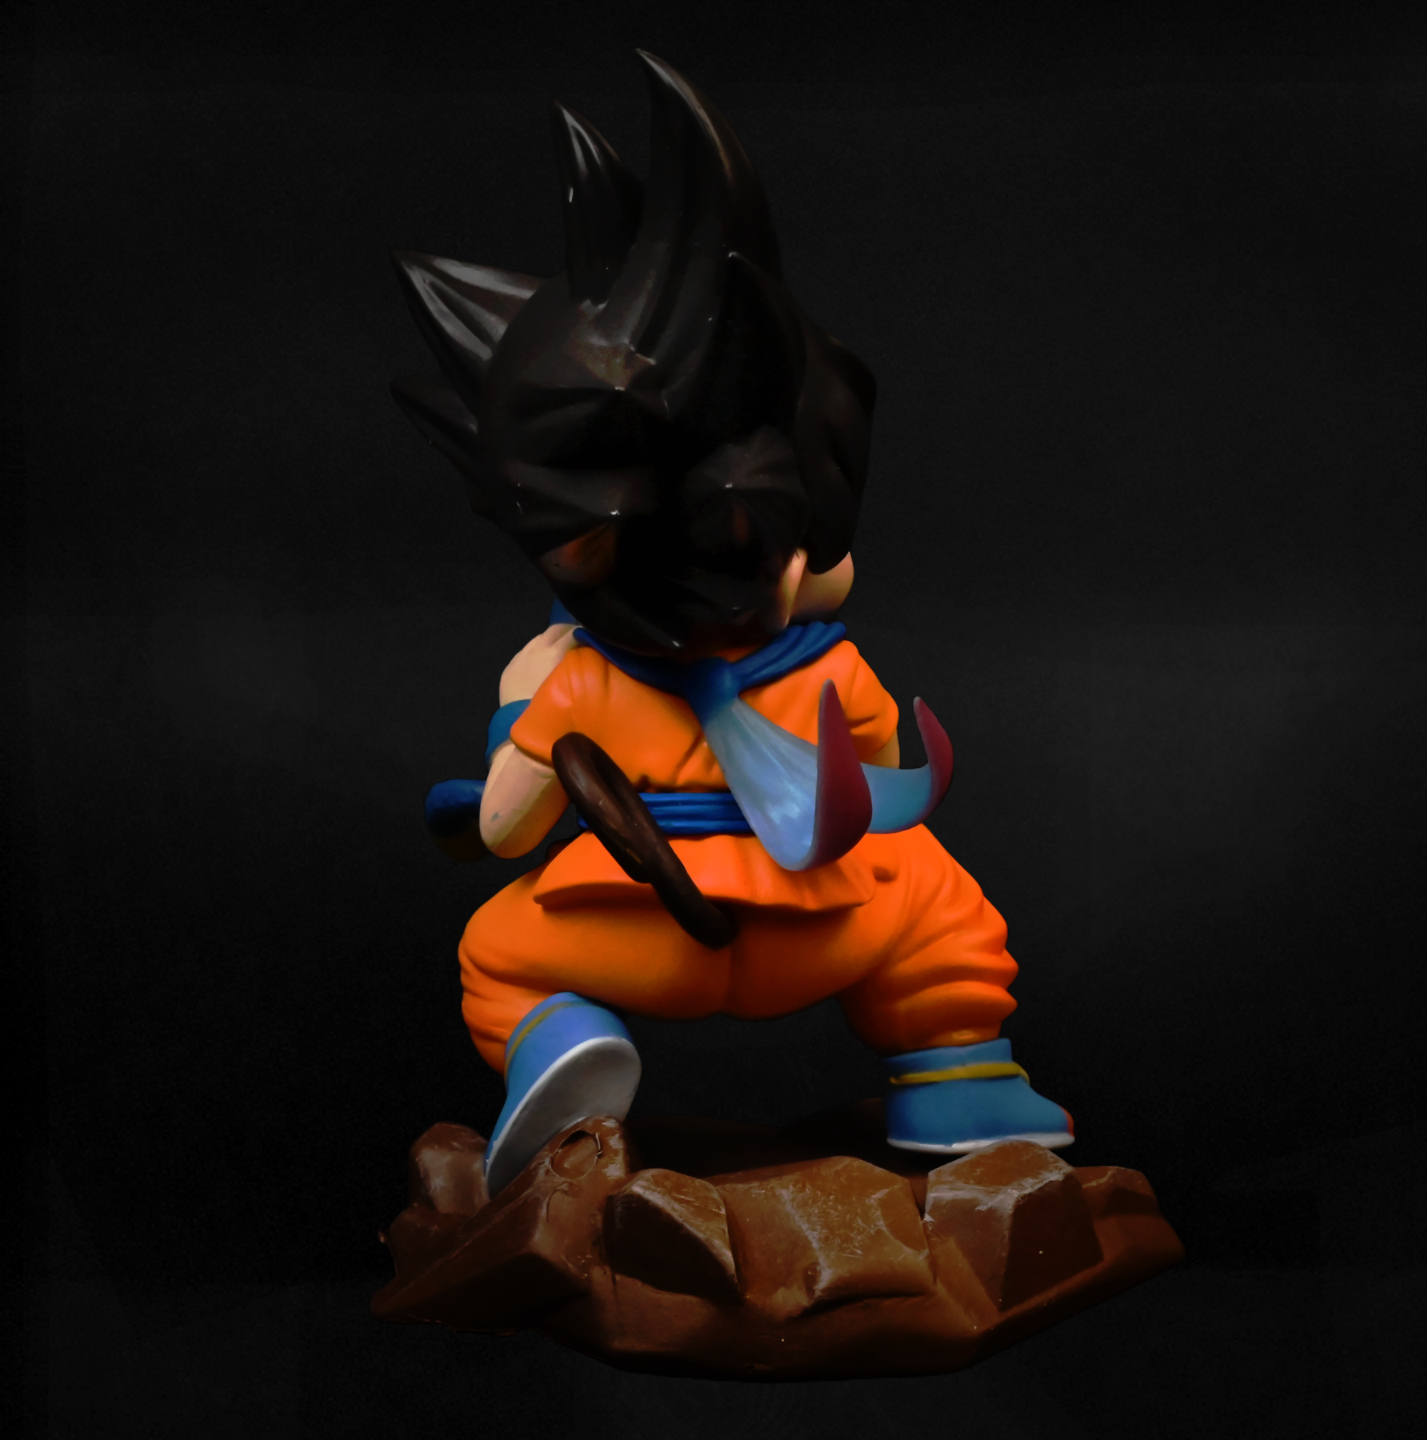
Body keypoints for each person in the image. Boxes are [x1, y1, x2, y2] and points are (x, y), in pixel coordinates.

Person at [392, 53, 1071, 1198]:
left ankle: (560, 1041)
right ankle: (957, 1072)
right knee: (940, 908)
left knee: (498, 954)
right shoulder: (834, 666)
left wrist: (510, 724)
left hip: (634, 929)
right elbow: (883, 781)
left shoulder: (578, 683)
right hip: (834, 924)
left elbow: (508, 828)